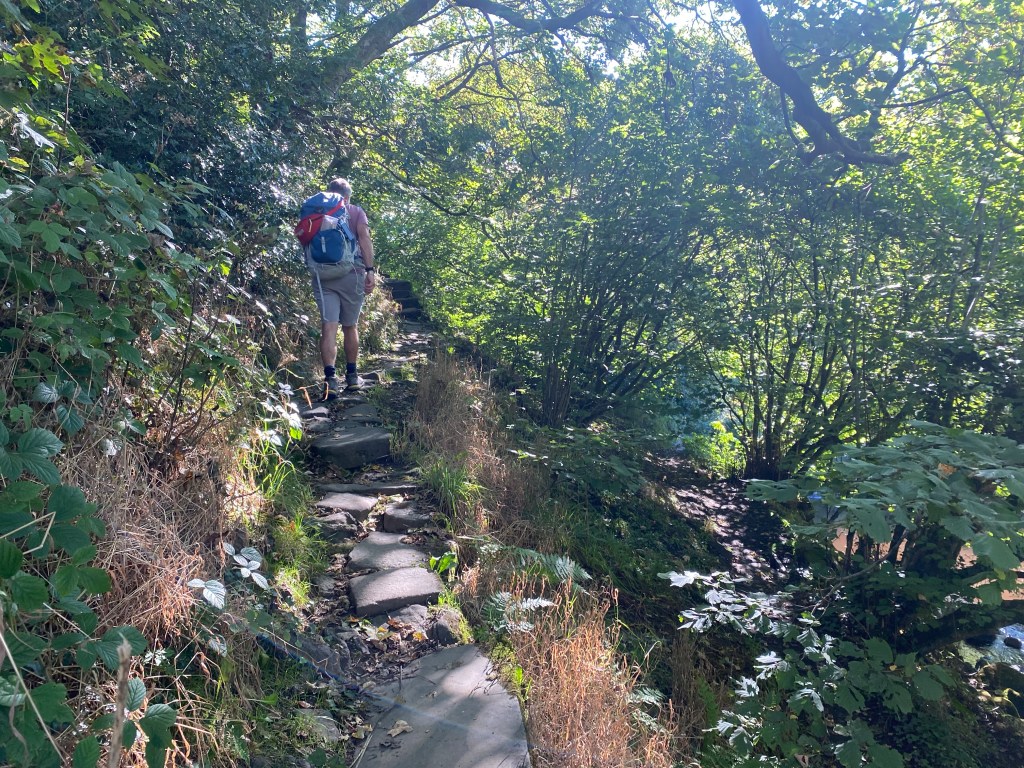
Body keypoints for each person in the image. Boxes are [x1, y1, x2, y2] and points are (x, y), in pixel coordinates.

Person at [302, 178, 376, 398]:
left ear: (329, 193)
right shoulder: (355, 211)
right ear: (348, 195)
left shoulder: (315, 210)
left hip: (322, 275)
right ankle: (352, 377)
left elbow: (304, 240)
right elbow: (364, 238)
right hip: (351, 273)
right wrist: (370, 270)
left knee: (329, 327)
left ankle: (330, 381)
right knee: (350, 326)